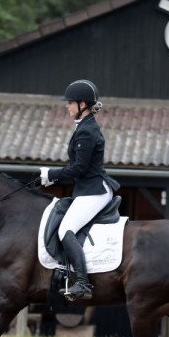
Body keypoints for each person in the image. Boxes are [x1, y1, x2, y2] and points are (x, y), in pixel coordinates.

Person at [39, 79, 120, 300]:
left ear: (82, 104)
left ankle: (83, 283)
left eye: (71, 102)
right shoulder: (85, 127)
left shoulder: (87, 131)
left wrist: (51, 175)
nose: (67, 106)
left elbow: (79, 168)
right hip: (88, 189)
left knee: (66, 229)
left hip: (94, 190)